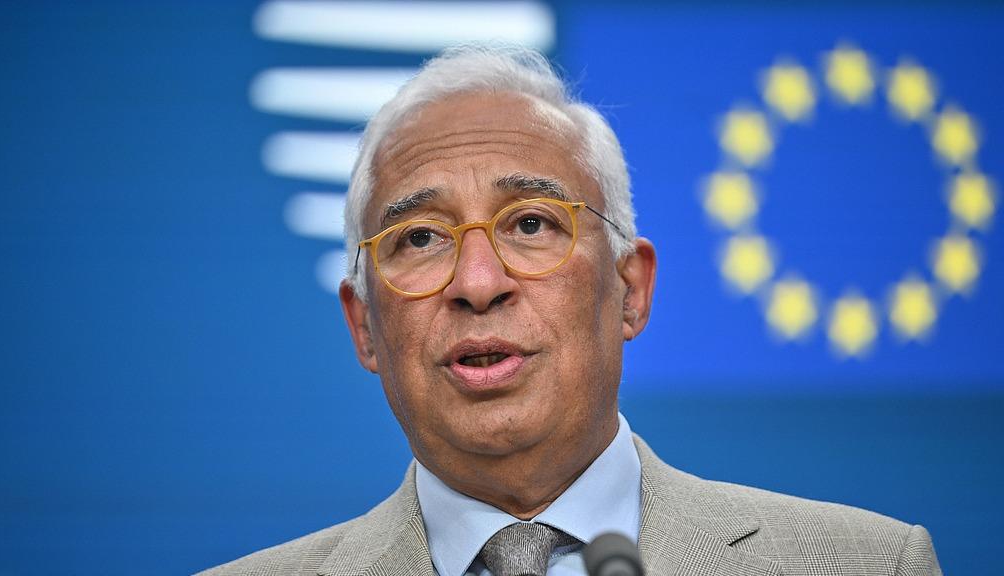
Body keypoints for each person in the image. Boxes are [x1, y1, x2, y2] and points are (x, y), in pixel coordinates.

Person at [199, 45, 941, 576]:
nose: (478, 282)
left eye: (531, 223)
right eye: (420, 237)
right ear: (364, 325)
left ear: (631, 289)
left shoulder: (871, 564)